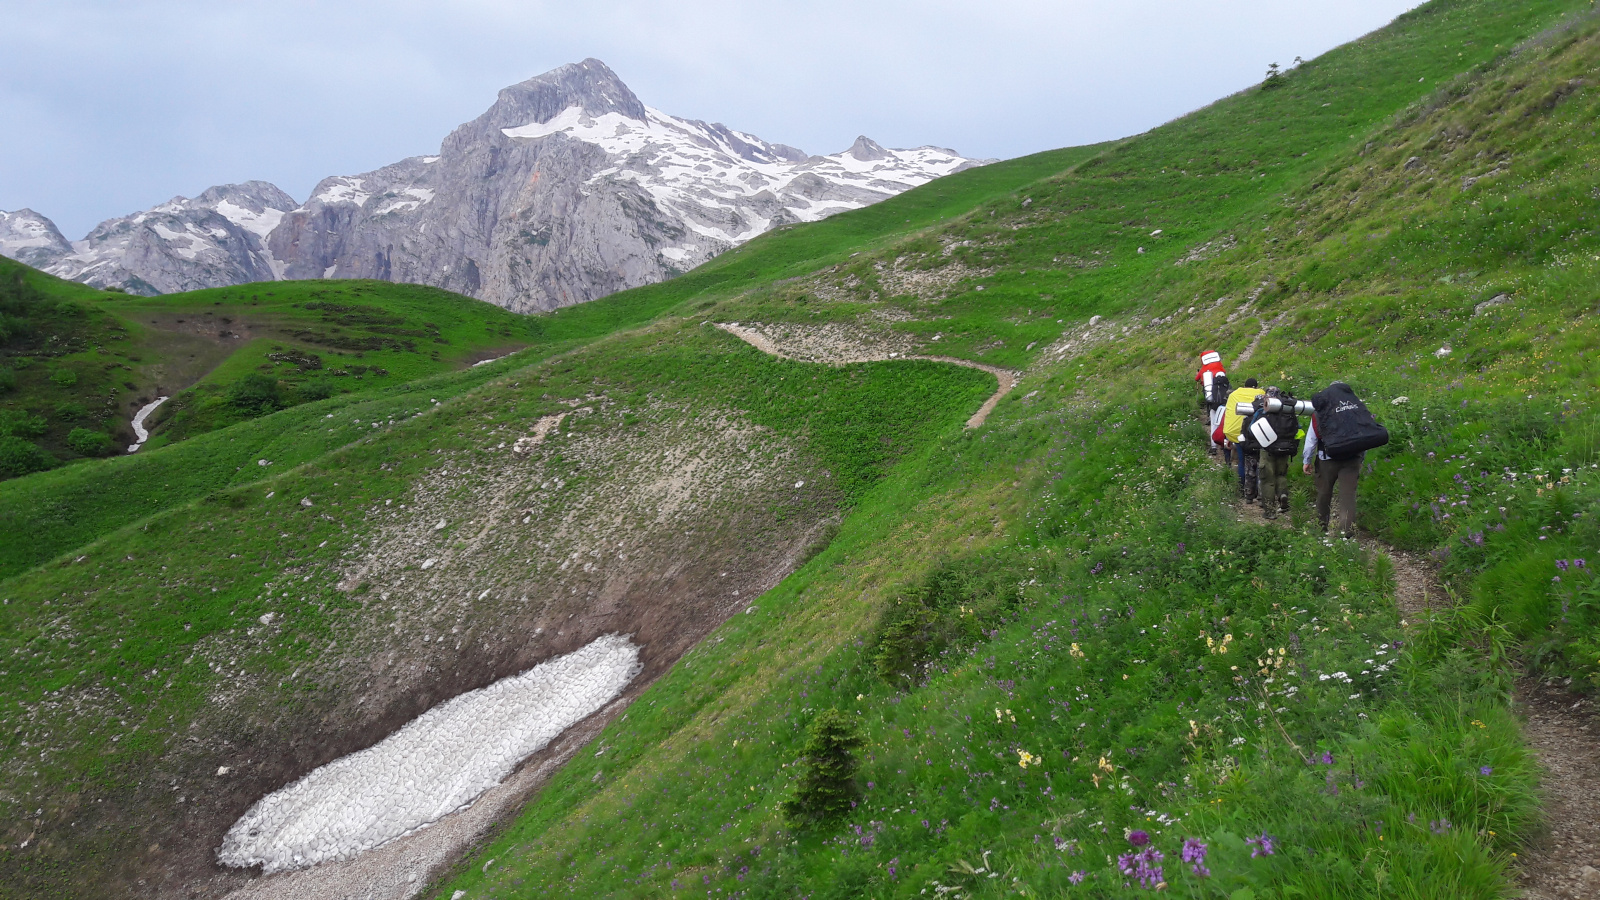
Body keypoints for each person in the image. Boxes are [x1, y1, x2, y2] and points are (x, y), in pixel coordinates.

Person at [1303, 382, 1387, 538]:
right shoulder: (1356, 408)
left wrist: (1306, 460)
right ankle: (1346, 533)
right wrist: (1361, 457)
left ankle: (1321, 530)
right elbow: (1364, 436)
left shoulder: (1319, 412)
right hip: (1352, 459)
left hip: (1326, 459)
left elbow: (1311, 439)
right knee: (1348, 496)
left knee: (1323, 494)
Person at [1249, 386, 1300, 519]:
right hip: (1285, 449)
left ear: (1267, 398)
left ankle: (1270, 511)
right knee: (1281, 475)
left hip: (1268, 450)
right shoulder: (1288, 411)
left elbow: (1251, 429)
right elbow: (1298, 428)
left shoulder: (1262, 411)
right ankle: (1283, 495)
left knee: (1267, 480)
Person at [1223, 377, 1264, 500]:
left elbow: (1229, 414)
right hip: (1256, 433)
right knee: (1259, 462)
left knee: (1242, 461)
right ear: (1255, 387)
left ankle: (1243, 489)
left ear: (1244, 386)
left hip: (1237, 433)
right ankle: (1259, 490)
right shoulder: (1261, 394)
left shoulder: (1234, 394)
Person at [1195, 352, 1230, 462]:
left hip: (1211, 399)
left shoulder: (1204, 369)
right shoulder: (1220, 367)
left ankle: (1213, 446)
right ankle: (1225, 442)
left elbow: (1197, 379)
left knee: (1214, 421)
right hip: (1223, 399)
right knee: (1224, 421)